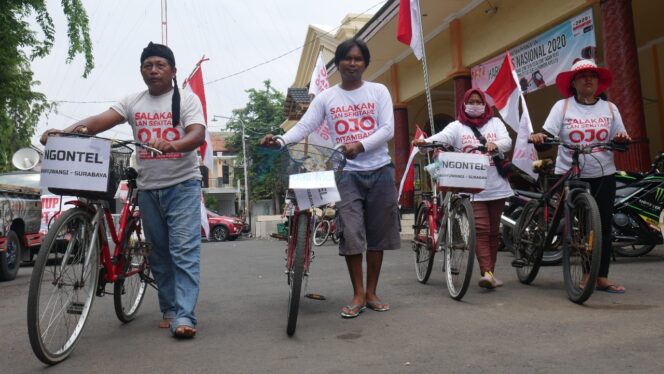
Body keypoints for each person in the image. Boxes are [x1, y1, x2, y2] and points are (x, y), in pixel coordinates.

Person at [40, 42, 206, 338]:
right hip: (148, 188)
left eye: (160, 65)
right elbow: (96, 123)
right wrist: (63, 132)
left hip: (182, 186)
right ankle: (169, 308)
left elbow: (197, 135)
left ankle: (185, 316)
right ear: (142, 70)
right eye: (148, 65)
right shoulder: (133, 101)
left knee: (183, 252)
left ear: (173, 70)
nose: (153, 70)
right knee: (158, 253)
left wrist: (174, 144)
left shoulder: (187, 100)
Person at [261, 39, 400, 318]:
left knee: (377, 237)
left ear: (365, 63)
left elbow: (387, 129)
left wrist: (359, 145)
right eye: (347, 58)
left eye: (358, 59)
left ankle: (372, 291)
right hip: (346, 174)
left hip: (381, 171)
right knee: (351, 233)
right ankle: (358, 294)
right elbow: (305, 125)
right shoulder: (327, 98)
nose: (352, 63)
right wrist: (279, 140)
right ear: (337, 63)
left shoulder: (378, 91)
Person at [530, 59, 630, 293]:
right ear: (573, 83)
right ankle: (587, 273)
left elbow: (621, 141)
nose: (588, 79)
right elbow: (547, 138)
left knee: (602, 225)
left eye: (592, 75)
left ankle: (601, 277)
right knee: (584, 227)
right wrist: (539, 138)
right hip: (572, 173)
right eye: (582, 75)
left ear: (598, 82)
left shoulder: (610, 109)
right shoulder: (562, 107)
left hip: (604, 173)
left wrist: (622, 141)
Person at [414, 88, 513, 289]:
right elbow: (441, 138)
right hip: (471, 188)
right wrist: (424, 142)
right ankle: (486, 272)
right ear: (464, 104)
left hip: (497, 186)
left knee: (494, 231)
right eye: (471, 101)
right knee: (482, 229)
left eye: (479, 101)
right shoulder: (457, 127)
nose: (475, 105)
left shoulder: (495, 123)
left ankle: (489, 272)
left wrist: (495, 144)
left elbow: (507, 141)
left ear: (485, 104)